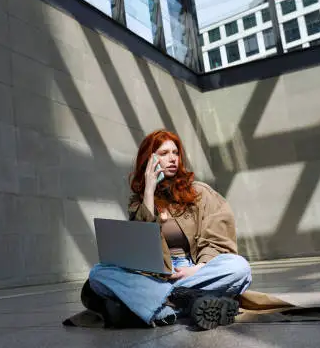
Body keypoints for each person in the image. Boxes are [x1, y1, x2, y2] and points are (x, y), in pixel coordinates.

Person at [87, 129, 252, 330]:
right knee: (98, 274)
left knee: (239, 267)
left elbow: (218, 239)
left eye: (175, 153)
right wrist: (148, 191)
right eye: (164, 154)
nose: (172, 158)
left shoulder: (199, 192)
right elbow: (141, 248)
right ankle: (187, 301)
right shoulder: (139, 202)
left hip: (194, 269)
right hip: (154, 275)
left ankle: (160, 306)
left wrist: (197, 269)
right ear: (149, 159)